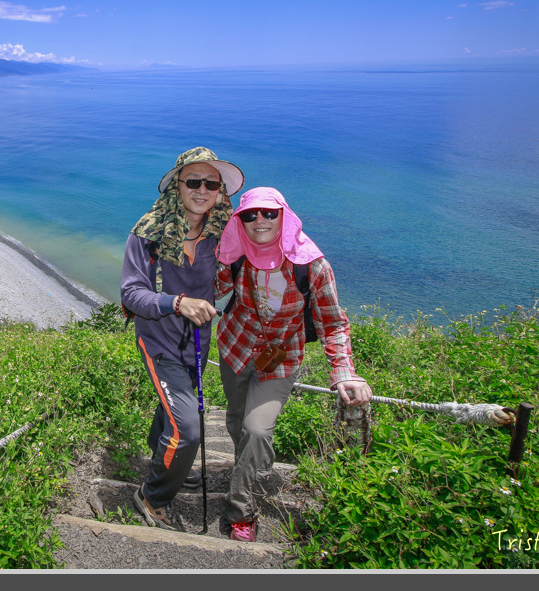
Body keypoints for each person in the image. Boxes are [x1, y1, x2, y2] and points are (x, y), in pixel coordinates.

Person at [214, 186, 372, 542]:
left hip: (281, 361)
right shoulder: (235, 254)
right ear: (240, 220)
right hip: (235, 349)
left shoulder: (312, 265)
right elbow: (211, 289)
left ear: (284, 217)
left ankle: (241, 509)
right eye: (250, 215)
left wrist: (343, 373)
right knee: (236, 422)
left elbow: (333, 322)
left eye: (269, 213)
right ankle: (247, 471)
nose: (260, 221)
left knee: (257, 430)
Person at [121, 147, 244, 531]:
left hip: (195, 343)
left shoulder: (223, 233)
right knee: (188, 428)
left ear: (220, 191)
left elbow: (259, 250)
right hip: (158, 342)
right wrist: (177, 303)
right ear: (178, 185)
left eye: (211, 183)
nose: (202, 190)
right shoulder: (148, 233)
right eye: (194, 181)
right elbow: (130, 293)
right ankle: (153, 496)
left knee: (173, 408)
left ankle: (168, 463)